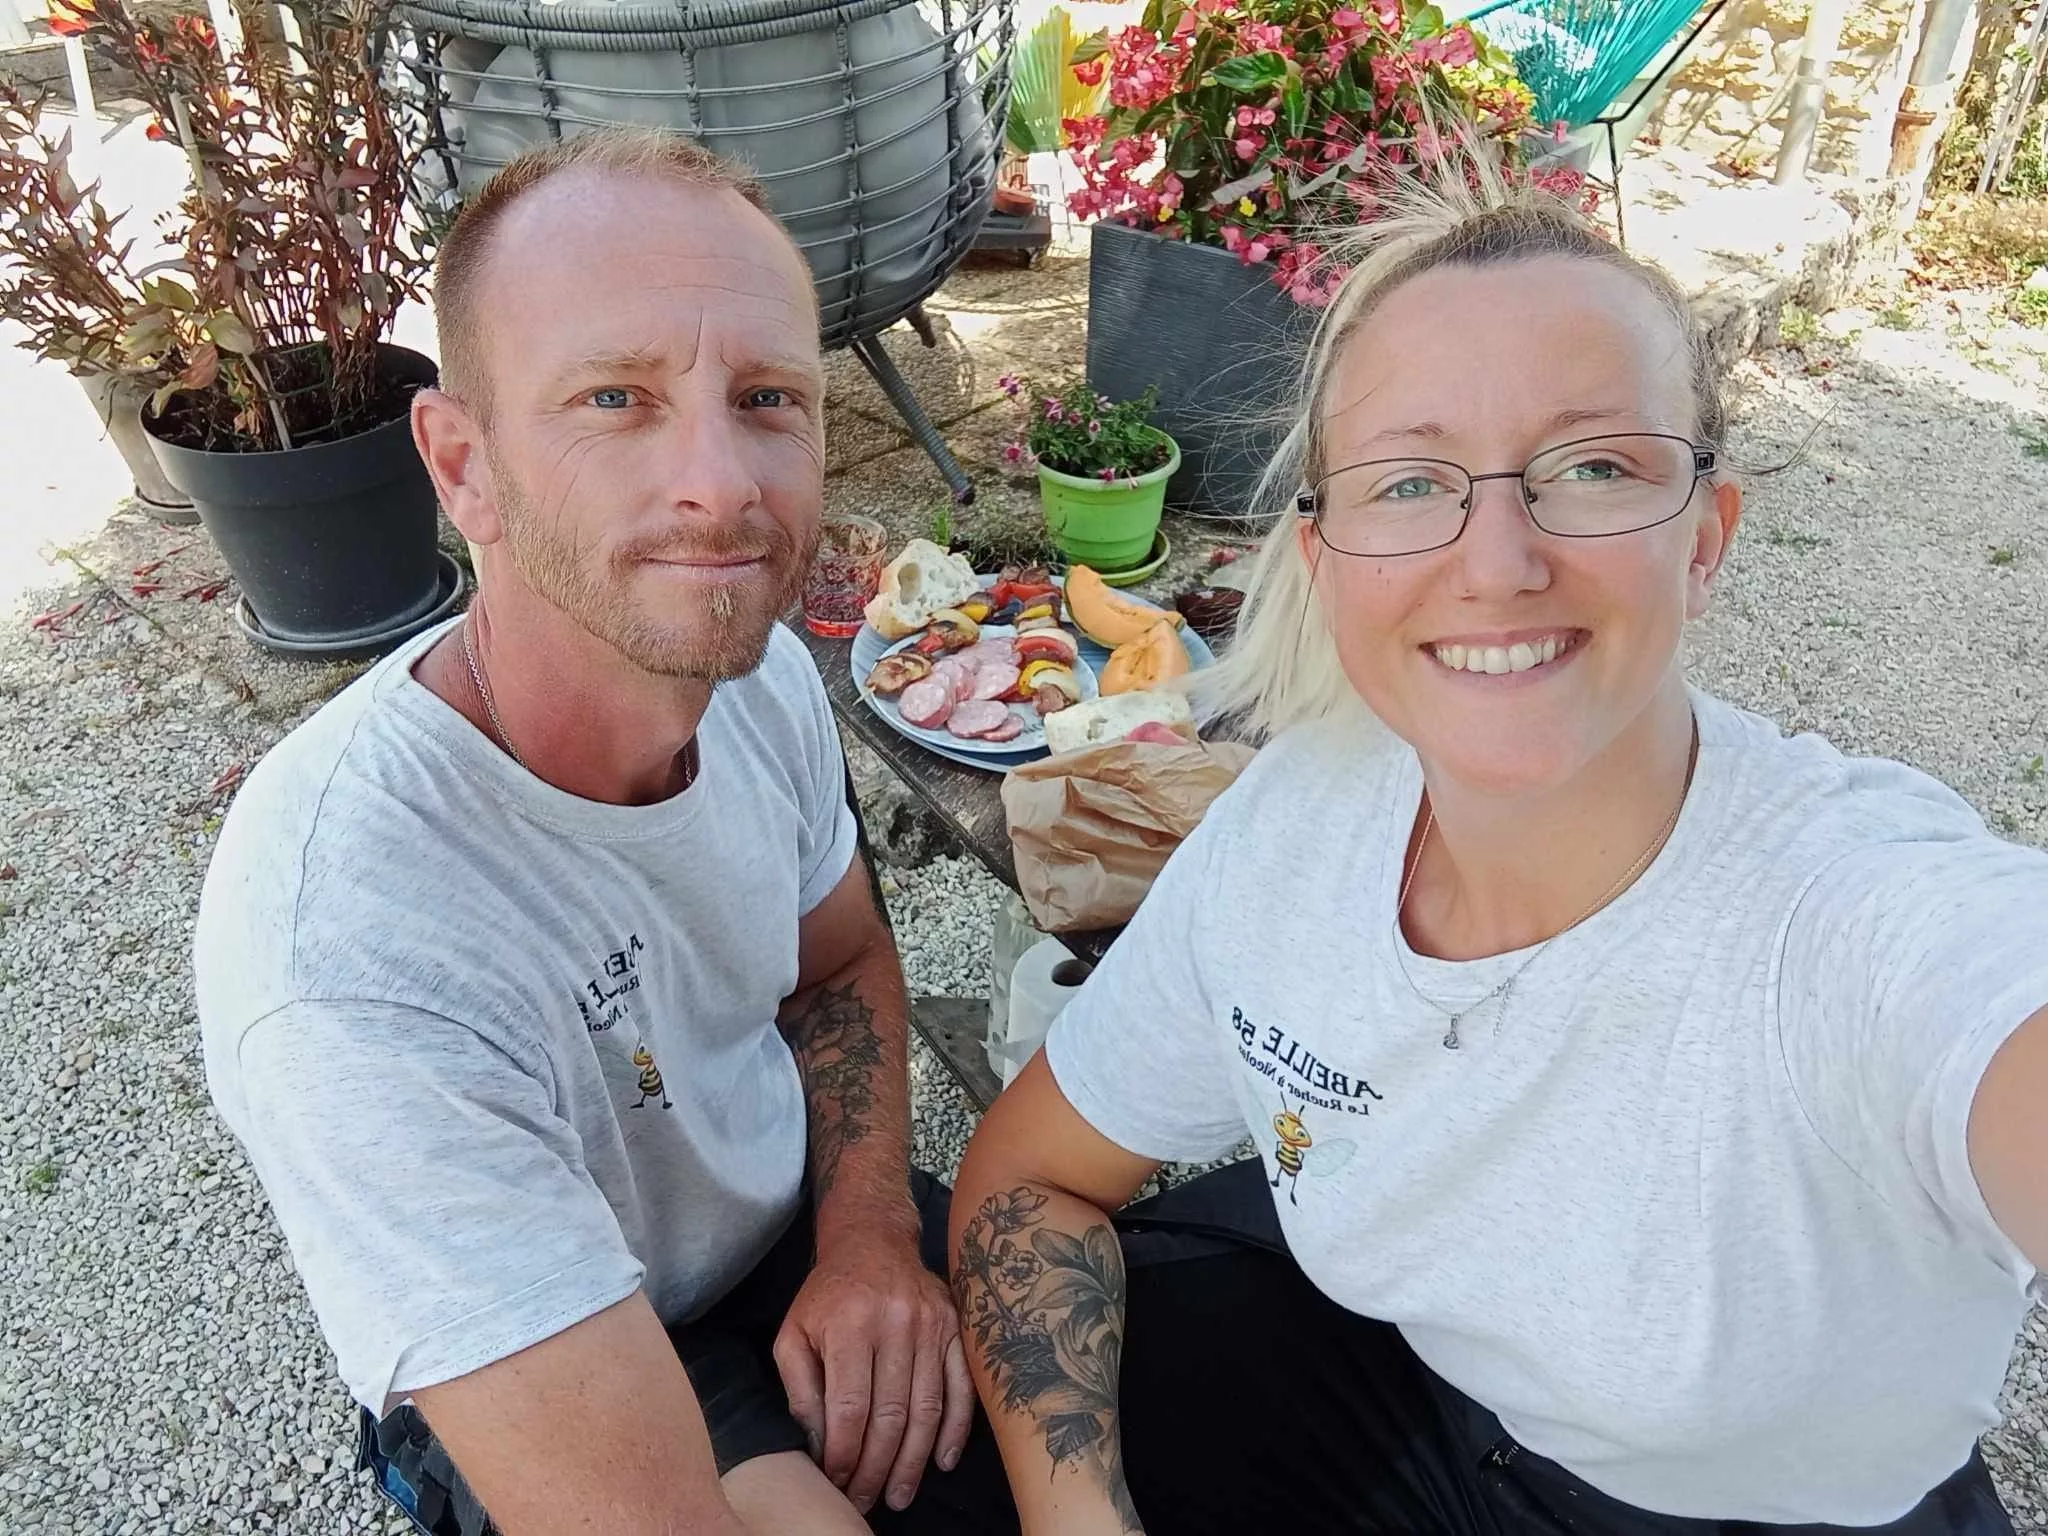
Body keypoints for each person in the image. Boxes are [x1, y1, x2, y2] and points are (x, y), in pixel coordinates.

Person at [946, 166, 2048, 1535]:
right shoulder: (1300, 823)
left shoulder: (1862, 921)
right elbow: (1031, 1179)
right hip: (1418, 1400)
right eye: (1410, 482)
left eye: (1593, 468)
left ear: (1705, 542)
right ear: (1328, 559)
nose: (1496, 562)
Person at [195, 129, 989, 1535]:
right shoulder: (353, 946)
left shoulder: (759, 680)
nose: (722, 485)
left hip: (798, 1223)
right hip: (565, 1340)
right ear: (463, 467)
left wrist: (868, 1236)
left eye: (767, 398)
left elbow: (838, 966)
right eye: (616, 398)